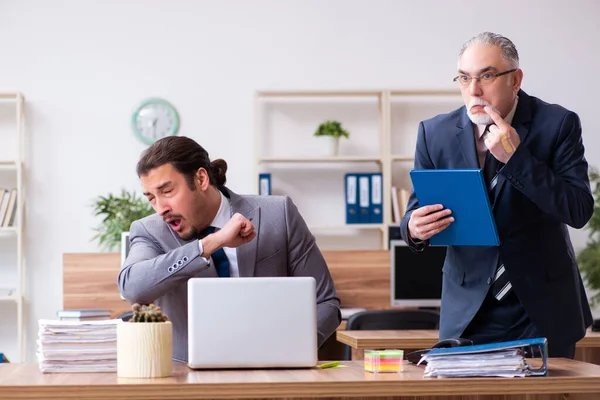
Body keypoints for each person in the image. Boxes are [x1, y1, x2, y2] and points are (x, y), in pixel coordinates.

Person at [400, 32, 593, 358]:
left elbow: (578, 210)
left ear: (515, 79)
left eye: (486, 76)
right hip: (468, 313)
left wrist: (517, 160)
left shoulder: (558, 124)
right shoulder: (434, 134)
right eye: (464, 78)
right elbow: (414, 214)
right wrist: (413, 229)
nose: (473, 90)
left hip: (542, 309)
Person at [118, 136, 341, 362]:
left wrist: (292, 349)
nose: (161, 209)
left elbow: (325, 303)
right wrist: (211, 243)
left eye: (167, 192)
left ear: (201, 179)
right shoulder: (149, 231)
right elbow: (133, 287)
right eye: (151, 198)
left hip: (271, 376)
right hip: (185, 383)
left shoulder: (279, 214)